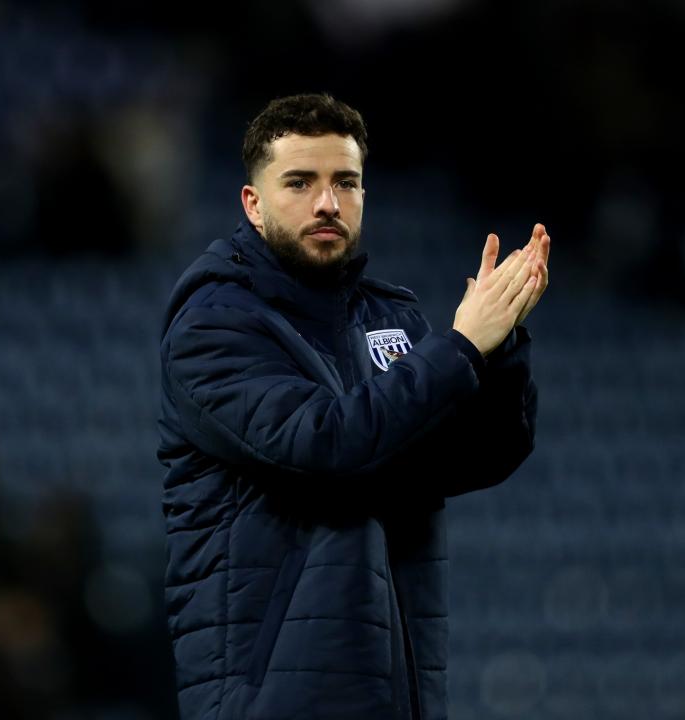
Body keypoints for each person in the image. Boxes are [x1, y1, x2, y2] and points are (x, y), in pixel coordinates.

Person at [156, 92, 549, 720]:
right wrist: (461, 345)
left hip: (397, 688)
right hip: (272, 698)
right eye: (299, 182)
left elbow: (472, 457)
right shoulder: (214, 325)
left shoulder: (389, 315)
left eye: (346, 182)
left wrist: (498, 345)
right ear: (252, 204)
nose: (327, 203)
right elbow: (329, 445)